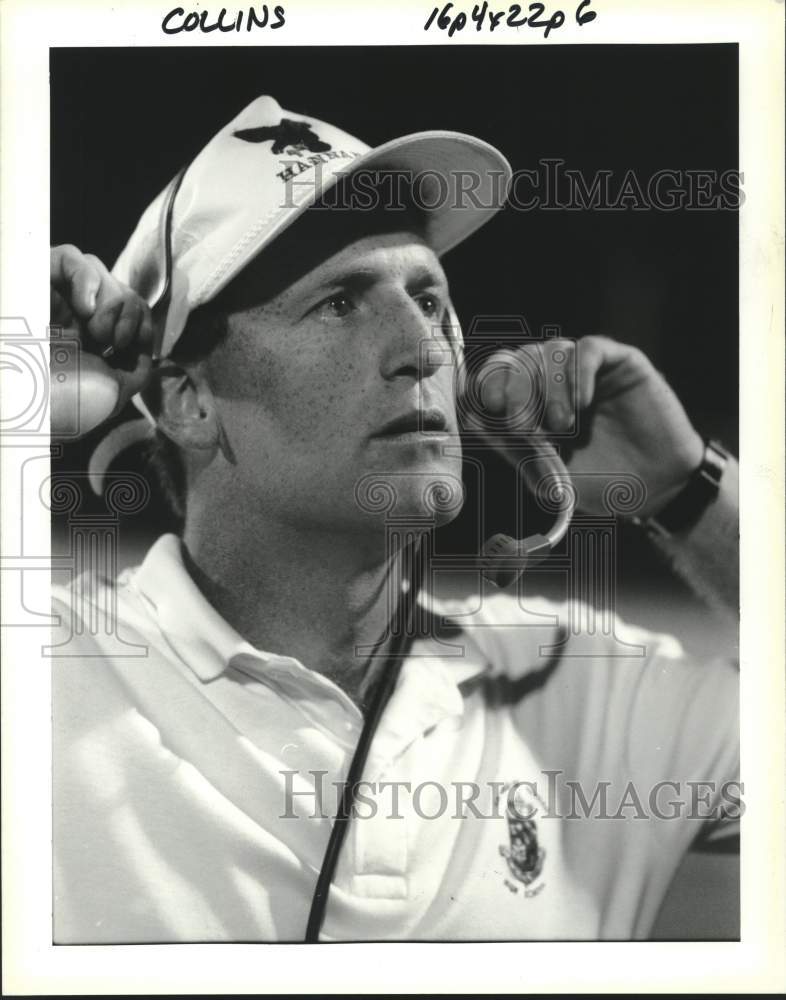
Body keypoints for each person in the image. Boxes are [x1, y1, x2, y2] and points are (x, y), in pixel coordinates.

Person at [50, 95, 739, 943]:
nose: (424, 347)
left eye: (427, 296)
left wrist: (692, 493)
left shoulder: (574, 682)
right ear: (188, 401)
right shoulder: (48, 681)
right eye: (339, 302)